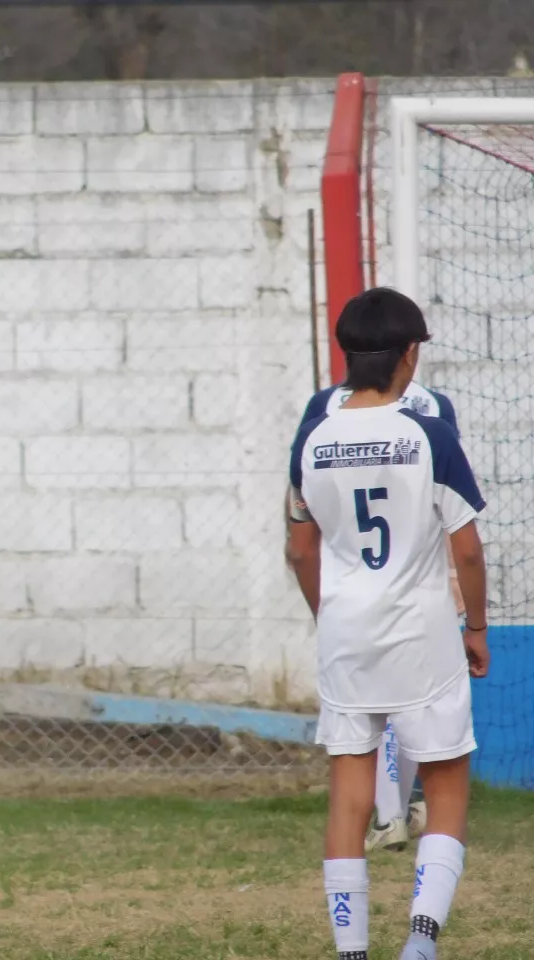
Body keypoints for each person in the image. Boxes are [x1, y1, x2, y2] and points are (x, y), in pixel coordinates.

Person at [285, 288, 488, 960]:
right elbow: (465, 545)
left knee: (350, 794)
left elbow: (298, 547)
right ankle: (421, 942)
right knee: (447, 785)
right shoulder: (430, 436)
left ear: (347, 355)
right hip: (422, 633)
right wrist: (477, 628)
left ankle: (351, 952)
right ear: (410, 354)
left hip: (347, 634)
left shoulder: (313, 439)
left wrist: (329, 615)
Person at [295, 371, 468, 853]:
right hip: (416, 593)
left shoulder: (323, 413)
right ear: (409, 349)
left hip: (351, 598)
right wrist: (463, 595)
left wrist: (321, 606)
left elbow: (301, 529)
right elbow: (452, 510)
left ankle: (390, 816)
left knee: (368, 721)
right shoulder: (432, 409)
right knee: (414, 711)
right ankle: (403, 820)